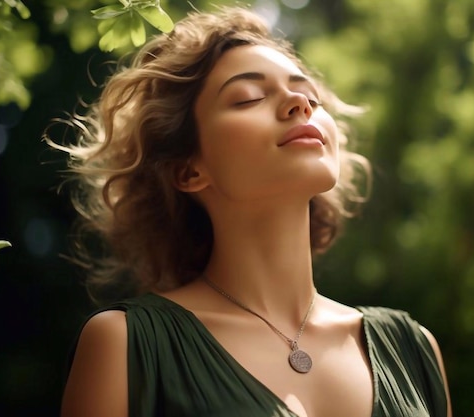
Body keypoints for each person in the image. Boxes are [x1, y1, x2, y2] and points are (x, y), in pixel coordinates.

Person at [55, 6, 452, 417]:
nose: (299, 102)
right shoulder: (125, 346)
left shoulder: (415, 351)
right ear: (189, 171)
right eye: (249, 98)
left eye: (311, 97)